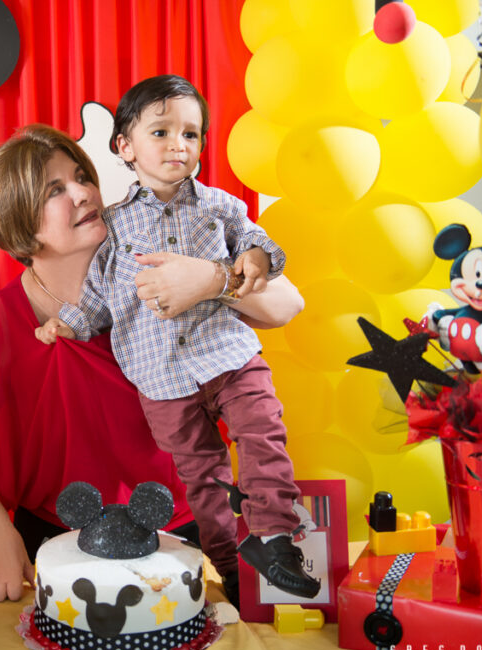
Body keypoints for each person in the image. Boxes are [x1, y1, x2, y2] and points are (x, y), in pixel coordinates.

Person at [0, 123, 304, 603]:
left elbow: (287, 304)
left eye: (81, 177)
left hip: (181, 521)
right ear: (19, 229)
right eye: (55, 190)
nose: (84, 194)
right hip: (60, 534)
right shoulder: (4, 319)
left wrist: (212, 279)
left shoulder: (153, 262)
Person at [40, 75, 320, 598]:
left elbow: (261, 245)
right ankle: (230, 570)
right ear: (125, 146)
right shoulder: (116, 227)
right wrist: (67, 323)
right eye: (162, 132)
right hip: (160, 377)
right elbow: (98, 298)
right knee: (205, 477)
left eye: (191, 135)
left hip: (228, 354)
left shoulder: (221, 208)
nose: (178, 145)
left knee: (263, 434)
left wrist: (257, 258)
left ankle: (275, 535)